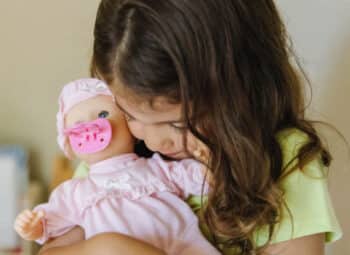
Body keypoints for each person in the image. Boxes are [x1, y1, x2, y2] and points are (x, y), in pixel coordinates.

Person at [39, 0, 342, 254]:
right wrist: (103, 247)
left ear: (240, 91)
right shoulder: (114, 157)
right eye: (129, 115)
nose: (155, 141)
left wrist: (123, 249)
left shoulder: (285, 159)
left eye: (177, 123)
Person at [14, 79, 219, 255]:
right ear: (70, 144)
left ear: (129, 124)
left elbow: (200, 178)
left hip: (183, 247)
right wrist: (34, 226)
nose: (92, 127)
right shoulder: (75, 190)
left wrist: (209, 160)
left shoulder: (157, 168)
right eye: (78, 124)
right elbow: (50, 222)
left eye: (103, 115)